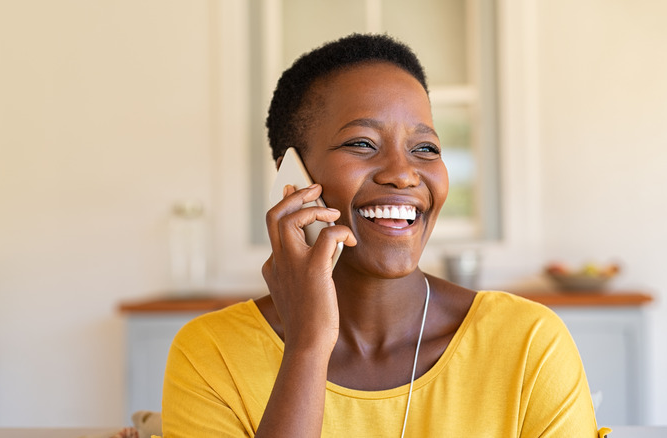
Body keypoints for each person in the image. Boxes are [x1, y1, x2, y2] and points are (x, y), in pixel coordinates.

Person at [161, 33, 601, 437]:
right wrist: (308, 346)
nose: (403, 174)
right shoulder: (210, 354)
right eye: (362, 144)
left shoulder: (528, 342)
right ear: (292, 178)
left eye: (424, 148)